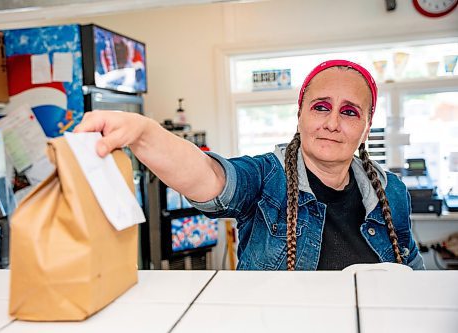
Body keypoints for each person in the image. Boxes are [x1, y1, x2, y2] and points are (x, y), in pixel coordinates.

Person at [75, 59, 424, 271]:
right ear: (299, 114)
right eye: (320, 106)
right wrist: (145, 133)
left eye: (349, 112)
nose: (332, 122)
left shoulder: (390, 191)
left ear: (366, 127)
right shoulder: (266, 178)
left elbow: (411, 269)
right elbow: (211, 178)